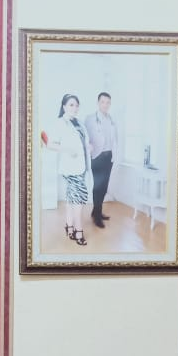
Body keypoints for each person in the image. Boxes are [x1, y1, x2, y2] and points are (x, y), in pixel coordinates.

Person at [44, 93, 90, 246]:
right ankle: (78, 231)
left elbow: (83, 142)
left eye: (76, 105)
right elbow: (49, 144)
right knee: (79, 200)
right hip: (70, 168)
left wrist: (88, 147)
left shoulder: (79, 123)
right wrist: (68, 149)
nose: (74, 108)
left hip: (82, 166)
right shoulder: (60, 123)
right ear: (64, 106)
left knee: (72, 199)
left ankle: (69, 227)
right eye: (71, 105)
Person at [84, 92, 118, 228]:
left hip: (109, 157)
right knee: (98, 186)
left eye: (108, 102)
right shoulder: (90, 118)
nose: (105, 105)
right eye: (103, 102)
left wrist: (114, 154)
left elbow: (114, 138)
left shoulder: (111, 119)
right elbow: (85, 137)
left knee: (104, 187)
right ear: (98, 103)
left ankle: (96, 211)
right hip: (97, 156)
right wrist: (88, 147)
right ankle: (97, 216)